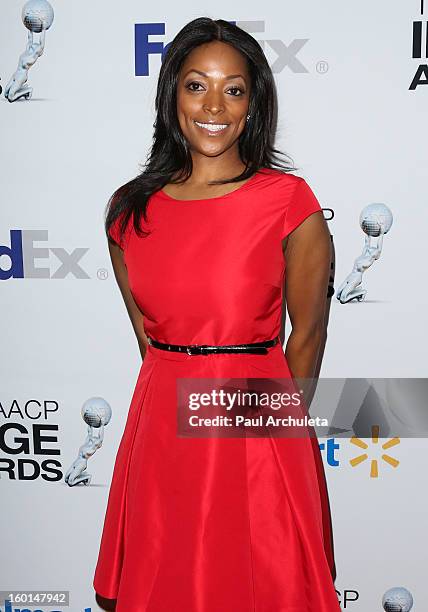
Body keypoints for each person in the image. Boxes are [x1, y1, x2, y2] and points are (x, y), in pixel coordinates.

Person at [93, 16, 340, 612]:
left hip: (256, 430)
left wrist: (272, 450)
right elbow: (150, 349)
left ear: (253, 104)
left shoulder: (288, 203)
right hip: (161, 439)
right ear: (171, 93)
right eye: (196, 85)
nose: (215, 106)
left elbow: (304, 340)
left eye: (234, 89)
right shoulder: (130, 212)